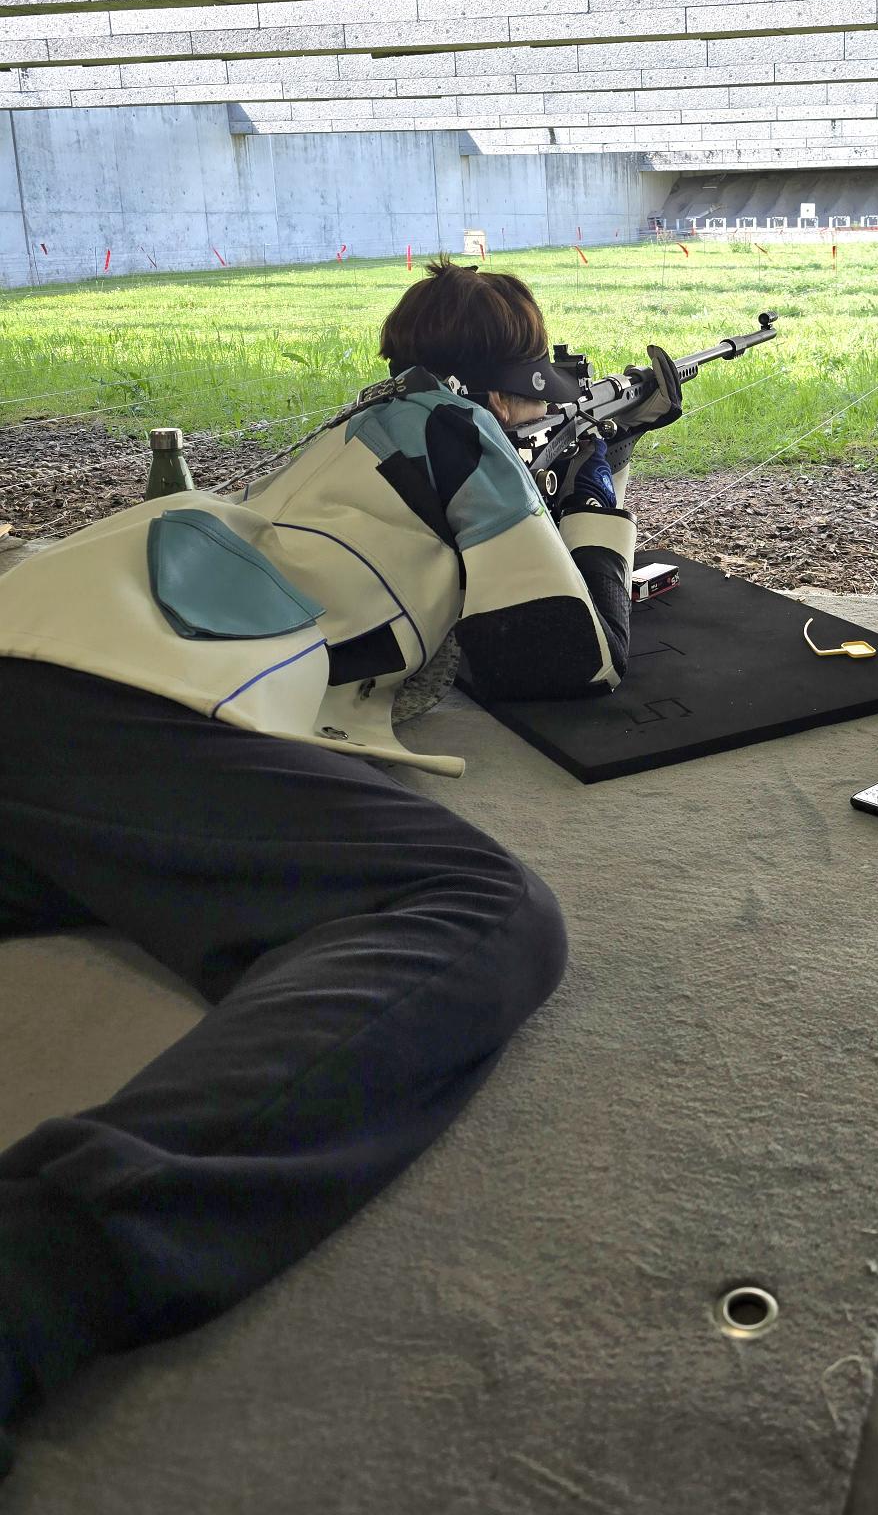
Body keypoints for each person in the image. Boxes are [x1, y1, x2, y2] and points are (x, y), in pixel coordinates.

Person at [0, 258, 681, 1473]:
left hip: (41, 641)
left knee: (94, 849)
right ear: (519, 383)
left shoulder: (367, 425)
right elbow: (556, 653)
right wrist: (600, 501)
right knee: (479, 906)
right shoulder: (462, 430)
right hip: (130, 695)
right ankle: (36, 1262)